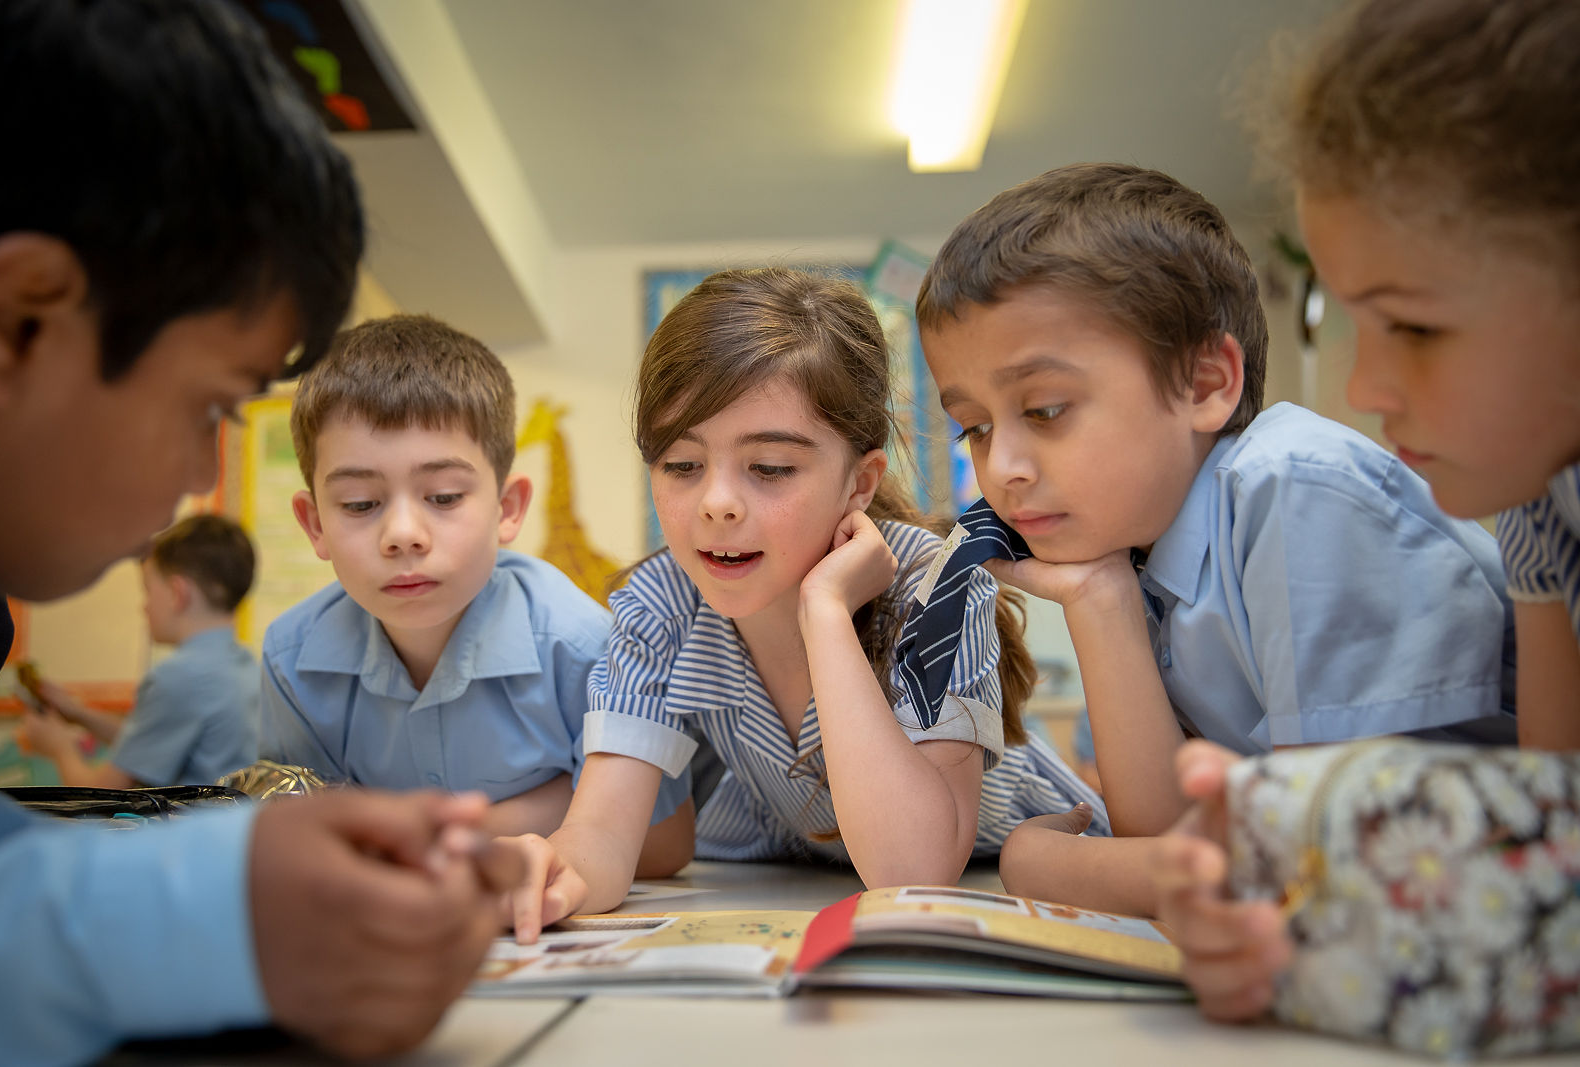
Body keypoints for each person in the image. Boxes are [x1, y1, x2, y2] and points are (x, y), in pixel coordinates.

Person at [0, 3, 517, 1063]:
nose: (200, 474)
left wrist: (222, 898)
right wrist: (208, 917)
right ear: (17, 322)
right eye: (214, 406)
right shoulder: (294, 649)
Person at [1147, 0, 1580, 1052]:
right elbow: (1558, 817)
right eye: (1357, 320)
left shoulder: (1292, 482)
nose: (1363, 387)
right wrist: (1285, 928)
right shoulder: (1539, 499)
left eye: (1415, 326)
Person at [915, 161, 1517, 917]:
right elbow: (1172, 840)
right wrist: (1100, 600)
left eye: (1045, 409)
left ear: (1205, 384)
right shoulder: (1140, 556)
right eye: (973, 427)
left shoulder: (1294, 489)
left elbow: (1330, 877)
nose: (1001, 468)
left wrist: (1047, 865)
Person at [489, 267, 1107, 943]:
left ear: (860, 482)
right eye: (681, 465)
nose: (716, 503)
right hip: (799, 866)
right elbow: (602, 836)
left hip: (1016, 861)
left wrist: (826, 612)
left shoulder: (935, 582)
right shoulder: (659, 604)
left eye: (771, 468)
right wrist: (553, 870)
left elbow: (914, 868)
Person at [259, 313, 693, 863]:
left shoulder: (585, 647)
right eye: (360, 504)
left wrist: (446, 834)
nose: (403, 535)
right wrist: (554, 804)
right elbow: (308, 840)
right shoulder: (291, 660)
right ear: (314, 523)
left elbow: (665, 840)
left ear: (507, 508)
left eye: (443, 497)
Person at [19, 514, 259, 787]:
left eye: (147, 590)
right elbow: (150, 743)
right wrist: (79, 714)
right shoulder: (243, 663)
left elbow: (101, 794)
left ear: (177, 593)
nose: (143, 607)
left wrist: (59, 749)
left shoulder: (179, 677)